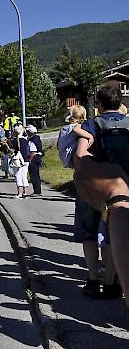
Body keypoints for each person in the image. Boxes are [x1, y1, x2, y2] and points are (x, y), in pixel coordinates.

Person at [73, 81, 128, 299]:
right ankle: (112, 283)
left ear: (98, 104)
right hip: (123, 188)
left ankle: (93, 280)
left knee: (89, 233)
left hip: (95, 188)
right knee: (115, 234)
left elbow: (79, 156)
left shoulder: (92, 124)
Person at [57, 105, 93, 169]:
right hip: (72, 154)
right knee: (94, 159)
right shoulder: (77, 126)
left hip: (64, 155)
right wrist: (90, 136)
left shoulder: (64, 129)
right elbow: (76, 130)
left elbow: (58, 144)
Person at [9, 125, 30, 199]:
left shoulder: (15, 140)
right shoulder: (25, 140)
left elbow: (13, 150)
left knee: (18, 176)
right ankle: (25, 192)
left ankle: (19, 193)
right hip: (25, 160)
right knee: (24, 176)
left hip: (18, 160)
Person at [26, 125, 44, 196]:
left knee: (34, 175)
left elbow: (33, 151)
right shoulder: (37, 138)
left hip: (34, 158)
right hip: (38, 157)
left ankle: (37, 191)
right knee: (36, 174)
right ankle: (37, 190)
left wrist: (30, 159)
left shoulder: (32, 140)